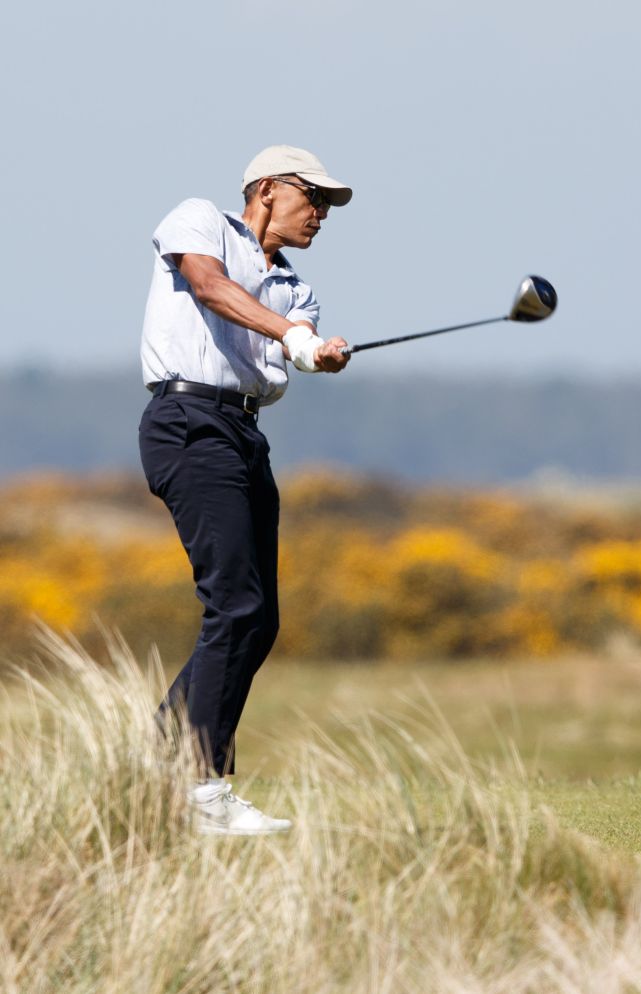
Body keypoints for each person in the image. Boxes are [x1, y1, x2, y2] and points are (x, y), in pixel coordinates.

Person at [138, 145, 352, 835]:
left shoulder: (296, 289)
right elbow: (207, 287)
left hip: (243, 435)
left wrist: (317, 350)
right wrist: (291, 335)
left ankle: (151, 770)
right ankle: (202, 790)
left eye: (325, 205)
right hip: (187, 420)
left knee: (257, 620)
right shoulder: (200, 221)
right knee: (233, 603)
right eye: (311, 197)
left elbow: (295, 343)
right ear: (266, 189)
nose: (320, 213)